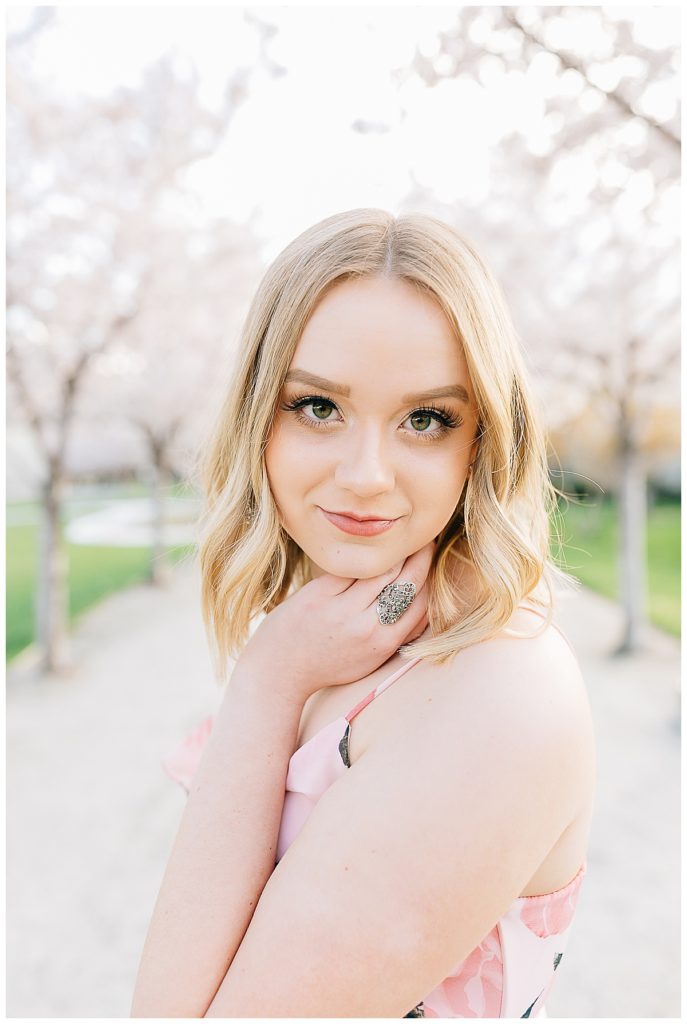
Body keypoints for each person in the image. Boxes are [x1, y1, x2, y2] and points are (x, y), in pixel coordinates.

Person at [130, 209, 596, 1018]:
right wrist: (272, 680)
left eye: (425, 420)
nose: (366, 475)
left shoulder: (495, 688)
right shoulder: (325, 643)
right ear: (256, 419)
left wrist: (267, 681)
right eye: (318, 407)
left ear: (480, 442)